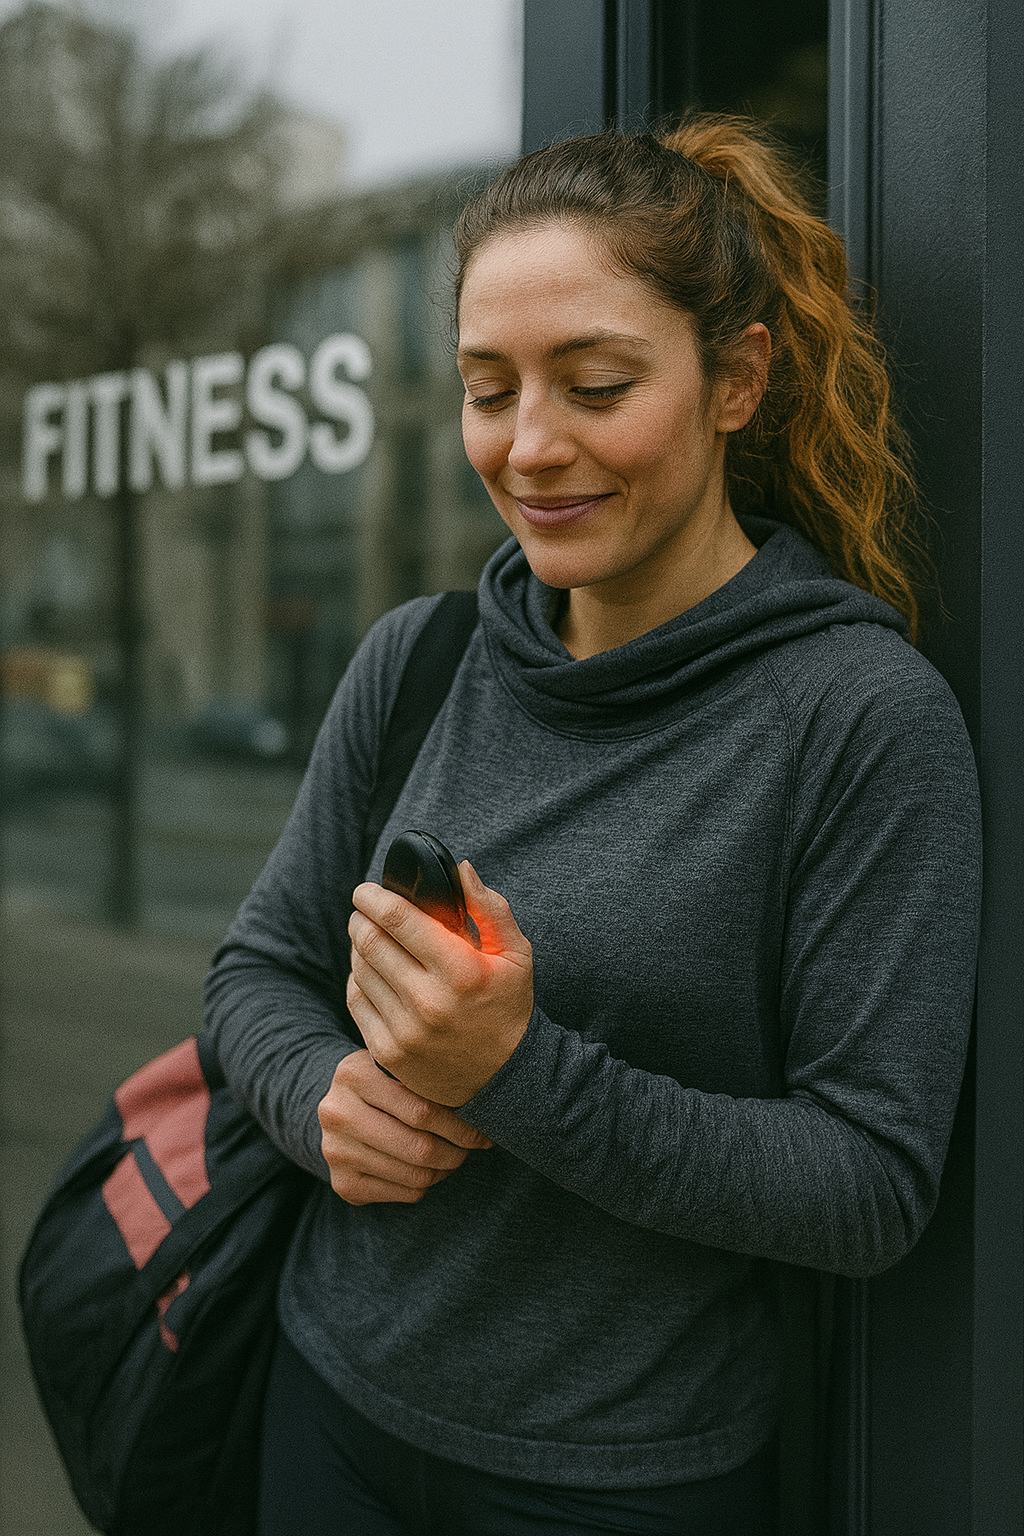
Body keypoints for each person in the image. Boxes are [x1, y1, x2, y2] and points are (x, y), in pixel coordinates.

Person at [205, 117, 982, 1536]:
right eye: (487, 391)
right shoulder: (420, 659)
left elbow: (871, 1184)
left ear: (737, 378)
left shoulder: (860, 719)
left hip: (628, 1484)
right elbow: (252, 975)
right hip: (325, 1406)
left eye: (597, 384)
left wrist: (515, 1070)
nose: (532, 448)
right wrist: (322, 1099)